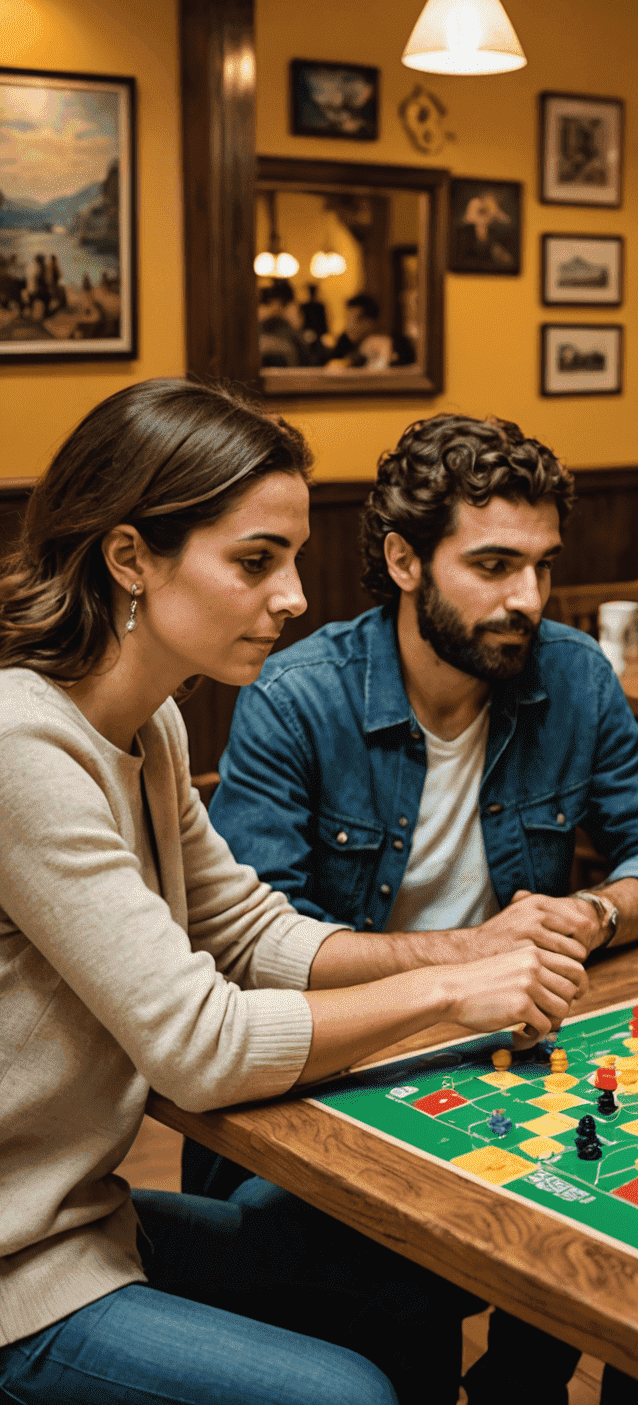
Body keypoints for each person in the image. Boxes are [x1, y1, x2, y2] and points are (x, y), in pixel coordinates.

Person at [0, 378, 588, 1405]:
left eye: (294, 559)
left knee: (414, 1268)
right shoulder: (23, 747)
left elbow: (253, 930)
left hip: (86, 1220)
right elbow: (201, 1044)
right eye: (256, 562)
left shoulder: (154, 726)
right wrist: (453, 996)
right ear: (131, 557)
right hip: (16, 1273)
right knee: (344, 1395)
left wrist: (467, 948)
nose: (297, 598)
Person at [204, 410, 638, 1403]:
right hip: (338, 1082)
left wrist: (598, 916)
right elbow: (254, 951)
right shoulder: (296, 698)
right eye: (491, 566)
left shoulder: (571, 674)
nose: (527, 599)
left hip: (516, 1061)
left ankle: (529, 1375)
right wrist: (467, 958)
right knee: (402, 1351)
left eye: (541, 566)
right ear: (403, 559)